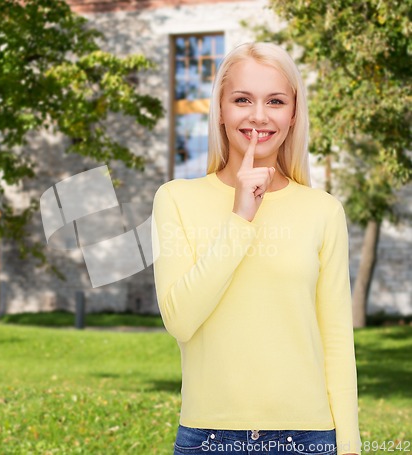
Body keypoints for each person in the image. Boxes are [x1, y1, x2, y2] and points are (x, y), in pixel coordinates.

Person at [151, 42, 361, 455]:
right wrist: (241, 217)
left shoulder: (323, 211)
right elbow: (180, 320)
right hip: (207, 439)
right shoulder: (175, 199)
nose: (259, 116)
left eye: (276, 101)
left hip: (308, 439)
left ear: (294, 113)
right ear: (221, 110)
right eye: (243, 99)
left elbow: (337, 342)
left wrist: (350, 446)